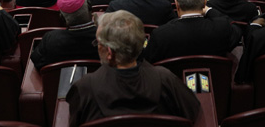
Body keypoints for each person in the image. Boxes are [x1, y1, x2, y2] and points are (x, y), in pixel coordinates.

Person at [66, 10, 201, 126]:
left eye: (98, 43)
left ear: (109, 52)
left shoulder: (84, 87)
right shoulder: (166, 79)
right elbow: (194, 114)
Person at [144, 0, 241, 63]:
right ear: (204, 2)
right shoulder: (221, 27)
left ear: (177, 4)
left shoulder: (161, 34)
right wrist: (209, 10)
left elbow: (149, 62)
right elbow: (237, 31)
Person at [32, 0, 100, 70]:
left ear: (62, 17)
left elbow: (37, 61)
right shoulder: (106, 38)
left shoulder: (50, 39)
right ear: (89, 7)